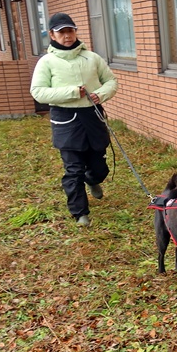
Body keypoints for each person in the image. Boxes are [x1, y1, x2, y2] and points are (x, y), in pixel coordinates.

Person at [30, 13, 118, 226]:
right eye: (61, 32)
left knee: (99, 167)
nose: (67, 36)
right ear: (52, 35)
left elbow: (111, 81)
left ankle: (93, 179)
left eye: (70, 31)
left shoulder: (92, 58)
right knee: (73, 169)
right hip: (66, 119)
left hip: (92, 115)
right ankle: (80, 213)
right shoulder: (47, 62)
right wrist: (71, 92)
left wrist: (100, 94)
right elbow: (38, 92)